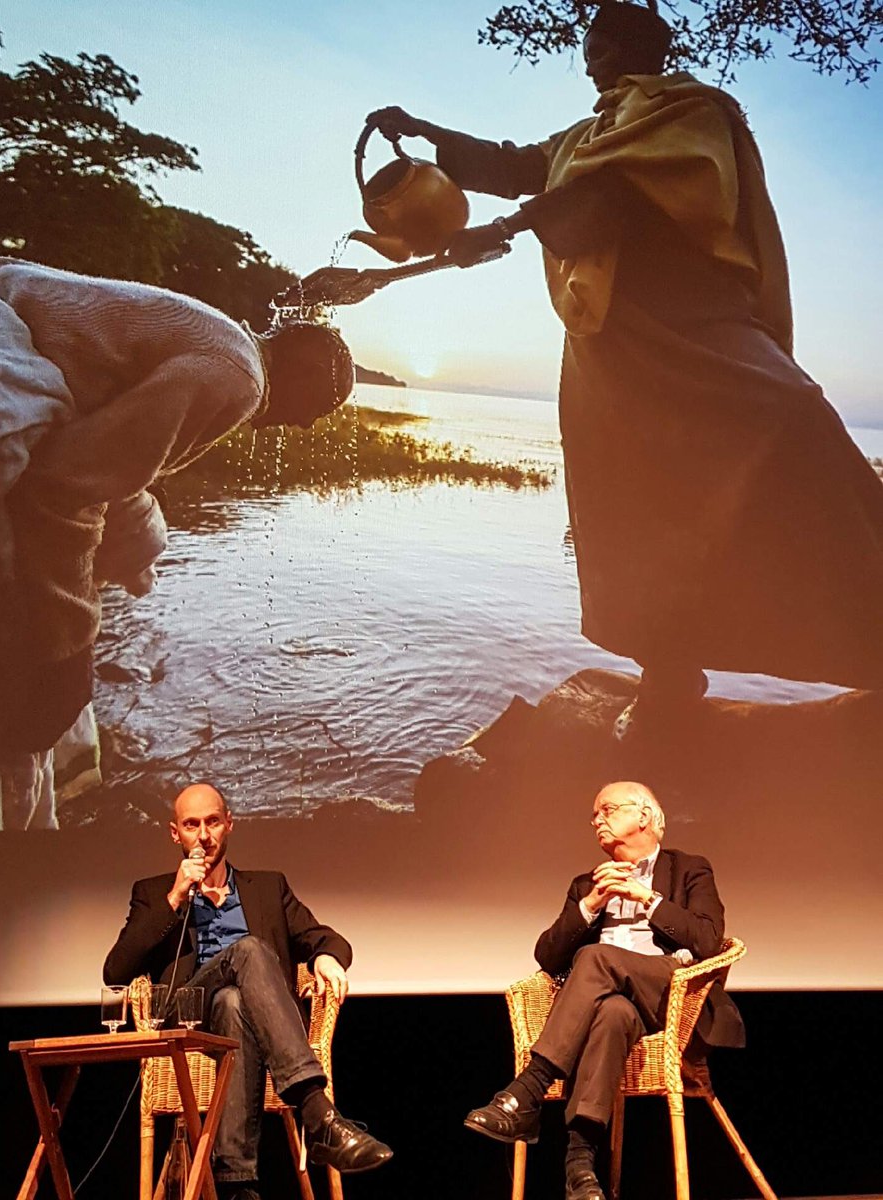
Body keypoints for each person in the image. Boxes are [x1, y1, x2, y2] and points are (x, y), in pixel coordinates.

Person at [368, 0, 883, 739]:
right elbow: (518, 166)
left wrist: (505, 229)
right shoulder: (585, 133)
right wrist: (430, 136)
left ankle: (870, 625)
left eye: (602, 43)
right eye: (587, 44)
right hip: (609, 340)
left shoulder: (694, 111)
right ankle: (667, 674)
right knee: (631, 503)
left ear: (642, 45)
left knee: (794, 413)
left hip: (692, 318)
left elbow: (614, 195)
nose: (588, 58)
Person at [0, 258, 354, 824]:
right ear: (300, 368)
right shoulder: (242, 379)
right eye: (320, 406)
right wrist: (70, 633)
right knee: (49, 693)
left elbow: (102, 455)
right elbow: (63, 486)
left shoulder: (223, 337)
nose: (305, 427)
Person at [104, 782, 392, 1200]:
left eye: (212, 822)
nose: (203, 836)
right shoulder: (152, 893)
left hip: (242, 1020)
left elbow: (327, 938)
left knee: (234, 1000)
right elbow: (115, 969)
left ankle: (238, 1185)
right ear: (175, 833)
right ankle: (317, 1112)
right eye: (191, 825)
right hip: (187, 1015)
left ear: (229, 824)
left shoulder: (267, 887)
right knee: (249, 951)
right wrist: (175, 896)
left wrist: (324, 957)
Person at [464, 780, 744, 1200]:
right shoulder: (585, 884)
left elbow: (707, 940)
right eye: (594, 815)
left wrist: (647, 899)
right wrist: (591, 904)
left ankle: (529, 1088)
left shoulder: (688, 869)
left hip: (669, 993)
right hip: (614, 1004)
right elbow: (548, 957)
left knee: (595, 956)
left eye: (608, 810)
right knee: (612, 1013)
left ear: (644, 816)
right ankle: (580, 1167)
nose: (597, 820)